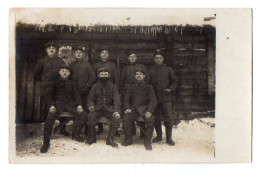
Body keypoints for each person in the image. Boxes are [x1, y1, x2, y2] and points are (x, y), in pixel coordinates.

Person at [40, 66, 87, 153]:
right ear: (59, 73)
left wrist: (79, 105)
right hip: (58, 106)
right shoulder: (54, 83)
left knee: (83, 114)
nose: (65, 73)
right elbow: (49, 95)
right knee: (49, 119)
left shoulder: (72, 83)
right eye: (63, 71)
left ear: (69, 74)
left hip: (70, 105)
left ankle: (76, 134)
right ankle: (46, 143)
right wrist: (51, 106)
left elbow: (77, 96)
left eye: (66, 71)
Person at [34, 42, 69, 136]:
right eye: (49, 48)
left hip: (57, 89)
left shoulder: (60, 61)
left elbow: (64, 72)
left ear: (56, 50)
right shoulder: (42, 61)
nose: (51, 49)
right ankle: (46, 131)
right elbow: (36, 74)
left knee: (60, 106)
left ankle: (62, 128)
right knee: (47, 109)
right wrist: (44, 81)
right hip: (46, 89)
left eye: (53, 48)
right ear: (46, 50)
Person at [148, 49, 178, 146]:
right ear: (154, 60)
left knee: (168, 118)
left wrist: (170, 89)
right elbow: (148, 84)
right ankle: (159, 136)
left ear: (163, 59)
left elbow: (175, 82)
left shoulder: (168, 69)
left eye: (160, 58)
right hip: (155, 99)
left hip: (166, 98)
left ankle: (169, 138)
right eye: (156, 58)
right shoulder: (151, 70)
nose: (158, 60)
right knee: (156, 118)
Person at [122, 70, 157, 151]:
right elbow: (126, 99)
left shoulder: (149, 87)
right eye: (137, 74)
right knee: (126, 118)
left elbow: (153, 101)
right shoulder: (131, 87)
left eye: (141, 74)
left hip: (145, 109)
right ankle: (128, 139)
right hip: (134, 109)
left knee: (150, 120)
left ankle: (148, 141)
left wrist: (149, 111)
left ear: (144, 76)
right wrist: (127, 108)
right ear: (135, 76)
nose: (139, 76)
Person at [86, 68, 121, 148]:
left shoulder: (113, 87)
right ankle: (92, 137)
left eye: (105, 74)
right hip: (97, 108)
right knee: (90, 117)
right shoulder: (94, 87)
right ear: (98, 76)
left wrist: (116, 111)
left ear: (109, 75)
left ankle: (110, 139)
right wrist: (91, 105)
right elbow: (90, 98)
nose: (103, 76)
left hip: (109, 109)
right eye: (101, 75)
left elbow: (116, 99)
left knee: (116, 119)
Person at [70, 45, 96, 136]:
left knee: (86, 110)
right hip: (74, 93)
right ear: (74, 54)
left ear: (83, 54)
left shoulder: (87, 65)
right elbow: (68, 78)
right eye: (76, 53)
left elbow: (93, 77)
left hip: (85, 92)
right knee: (76, 110)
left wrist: (87, 85)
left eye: (80, 53)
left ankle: (87, 130)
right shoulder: (71, 65)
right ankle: (75, 130)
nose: (78, 54)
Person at [120, 50, 147, 138]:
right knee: (129, 111)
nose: (132, 58)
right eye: (130, 56)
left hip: (139, 92)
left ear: (136, 58)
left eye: (134, 56)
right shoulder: (125, 68)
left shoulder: (141, 66)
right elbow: (122, 81)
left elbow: (146, 78)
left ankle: (143, 132)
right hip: (128, 92)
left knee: (140, 110)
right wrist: (122, 92)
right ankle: (131, 132)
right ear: (128, 58)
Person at [93, 49, 119, 135]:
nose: (104, 55)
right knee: (99, 106)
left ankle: (115, 130)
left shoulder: (112, 65)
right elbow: (94, 78)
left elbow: (115, 78)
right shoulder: (96, 65)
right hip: (99, 89)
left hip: (110, 90)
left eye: (106, 53)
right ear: (100, 54)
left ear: (108, 55)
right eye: (102, 53)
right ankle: (100, 128)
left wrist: (116, 89)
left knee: (111, 108)